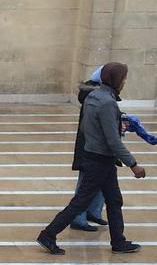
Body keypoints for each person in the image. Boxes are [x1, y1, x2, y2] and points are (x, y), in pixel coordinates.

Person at [37, 62, 146, 255]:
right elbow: (113, 141)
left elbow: (89, 128)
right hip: (100, 160)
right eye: (123, 79)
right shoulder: (107, 103)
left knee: (114, 200)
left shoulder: (93, 96)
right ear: (115, 80)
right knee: (80, 202)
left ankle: (118, 241)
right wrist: (133, 164)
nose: (124, 83)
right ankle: (48, 234)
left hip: (96, 156)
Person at [69, 66, 107, 232]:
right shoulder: (97, 98)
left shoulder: (97, 97)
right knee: (86, 184)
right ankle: (78, 218)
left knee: (103, 180)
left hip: (99, 148)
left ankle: (93, 212)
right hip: (93, 149)